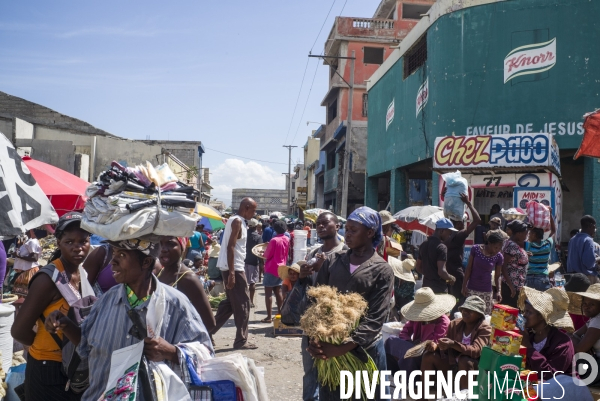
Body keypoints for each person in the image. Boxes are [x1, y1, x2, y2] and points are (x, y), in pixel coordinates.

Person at [45, 238, 214, 401]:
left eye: (122, 255)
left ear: (146, 262)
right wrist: (66, 325)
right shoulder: (106, 301)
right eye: (114, 254)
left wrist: (171, 352)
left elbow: (206, 355)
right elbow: (85, 345)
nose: (113, 261)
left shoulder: (175, 304)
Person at [303, 206, 393, 400]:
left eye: (354, 230)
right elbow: (316, 303)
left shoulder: (381, 269)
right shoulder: (333, 260)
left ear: (370, 233)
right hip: (329, 349)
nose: (347, 234)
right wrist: (316, 339)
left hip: (364, 351)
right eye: (347, 229)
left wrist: (343, 347)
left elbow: (376, 317)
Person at [11, 212, 91, 400]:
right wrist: (44, 345)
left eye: (83, 241)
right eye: (69, 242)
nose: (77, 248)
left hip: (72, 366)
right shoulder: (47, 280)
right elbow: (19, 331)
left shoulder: (82, 273)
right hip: (46, 368)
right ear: (58, 243)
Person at [300, 211, 348, 401]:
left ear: (337, 226)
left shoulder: (344, 253)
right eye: (318, 224)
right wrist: (303, 274)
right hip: (313, 319)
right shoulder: (314, 252)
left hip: (334, 322)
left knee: (332, 368)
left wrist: (323, 271)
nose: (320, 226)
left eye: (325, 223)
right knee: (310, 369)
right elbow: (306, 286)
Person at [517, 286, 589, 400]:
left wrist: (529, 348)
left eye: (529, 312)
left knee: (534, 388)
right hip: (539, 386)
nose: (524, 315)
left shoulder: (563, 342)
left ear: (541, 316)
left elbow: (552, 376)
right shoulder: (529, 335)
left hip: (566, 391)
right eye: (524, 311)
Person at [211, 197, 258, 349]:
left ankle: (206, 331)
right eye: (253, 210)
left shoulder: (239, 221)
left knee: (230, 305)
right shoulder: (236, 221)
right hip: (234, 268)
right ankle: (240, 341)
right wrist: (232, 273)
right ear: (246, 207)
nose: (254, 213)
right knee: (243, 304)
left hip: (234, 267)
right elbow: (230, 247)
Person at [421, 296, 491, 392]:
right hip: (452, 364)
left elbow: (476, 350)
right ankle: (423, 396)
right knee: (428, 356)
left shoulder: (485, 329)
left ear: (479, 315)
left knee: (464, 360)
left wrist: (454, 344)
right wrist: (436, 346)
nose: (465, 312)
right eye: (464, 309)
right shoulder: (455, 324)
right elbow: (446, 343)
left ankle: (466, 397)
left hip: (472, 368)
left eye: (470, 310)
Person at [386, 287, 454, 376]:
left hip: (428, 353)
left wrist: (417, 347)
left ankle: (413, 383)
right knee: (390, 341)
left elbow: (435, 343)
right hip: (414, 347)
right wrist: (409, 342)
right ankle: (396, 374)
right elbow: (405, 331)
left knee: (411, 353)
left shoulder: (443, 322)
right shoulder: (417, 318)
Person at [158, 236, 216, 333]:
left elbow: (209, 323)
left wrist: (179, 341)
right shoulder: (159, 274)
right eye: (160, 244)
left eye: (171, 244)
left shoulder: (188, 279)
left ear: (182, 247)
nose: (163, 249)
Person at [443, 193, 482, 312]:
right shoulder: (459, 235)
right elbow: (477, 220)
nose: (464, 225)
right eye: (463, 223)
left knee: (450, 302)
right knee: (460, 301)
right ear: (459, 223)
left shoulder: (445, 235)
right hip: (456, 273)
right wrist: (468, 203)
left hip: (446, 273)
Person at [462, 230, 505, 315]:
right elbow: (469, 268)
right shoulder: (475, 249)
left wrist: (499, 291)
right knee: (470, 314)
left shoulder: (499, 257)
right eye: (496, 247)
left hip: (486, 291)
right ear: (489, 243)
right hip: (472, 289)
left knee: (485, 316)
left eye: (500, 248)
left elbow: (497, 276)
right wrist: (464, 285)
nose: (498, 250)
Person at [569, 283, 600, 386]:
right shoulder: (593, 319)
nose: (586, 307)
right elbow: (575, 335)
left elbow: (579, 348)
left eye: (592, 304)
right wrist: (572, 337)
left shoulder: (598, 320)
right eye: (585, 303)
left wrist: (571, 337)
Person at [416, 218, 457, 294]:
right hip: (439, 289)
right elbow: (441, 272)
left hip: (426, 289)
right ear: (442, 231)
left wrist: (429, 275)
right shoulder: (441, 247)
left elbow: (418, 267)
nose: (450, 236)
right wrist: (451, 278)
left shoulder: (423, 244)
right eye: (449, 233)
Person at [262, 219, 289, 323]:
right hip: (281, 267)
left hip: (271, 267)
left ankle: (269, 317)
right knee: (278, 291)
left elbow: (267, 255)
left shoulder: (274, 240)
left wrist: (264, 254)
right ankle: (279, 313)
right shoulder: (286, 238)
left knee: (268, 292)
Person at [500, 220, 529, 307]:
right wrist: (511, 286)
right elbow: (503, 266)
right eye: (525, 233)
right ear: (519, 233)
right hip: (511, 286)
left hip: (516, 285)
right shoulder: (511, 245)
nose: (526, 236)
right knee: (510, 313)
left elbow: (514, 260)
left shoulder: (509, 242)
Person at [525, 208, 556, 291]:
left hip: (530, 278)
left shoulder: (529, 246)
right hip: (542, 278)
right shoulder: (547, 244)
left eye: (530, 234)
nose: (528, 235)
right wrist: (550, 214)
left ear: (534, 235)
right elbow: (553, 230)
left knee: (530, 302)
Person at [568, 215, 600, 283]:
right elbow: (588, 263)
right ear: (591, 226)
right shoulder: (588, 240)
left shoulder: (572, 239)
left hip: (572, 277)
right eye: (594, 227)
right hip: (586, 278)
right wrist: (597, 259)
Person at [12, 228, 42, 297]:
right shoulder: (28, 241)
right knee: (21, 295)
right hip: (25, 272)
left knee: (26, 296)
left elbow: (35, 258)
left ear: (31, 230)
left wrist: (18, 256)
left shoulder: (33, 242)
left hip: (30, 271)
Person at [389, 255, 416, 320]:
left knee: (402, 316)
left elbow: (400, 294)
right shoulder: (396, 278)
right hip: (396, 299)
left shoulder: (410, 283)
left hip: (405, 302)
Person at [244, 218, 262, 307]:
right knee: (252, 282)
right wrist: (262, 263)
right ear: (256, 226)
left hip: (243, 260)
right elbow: (259, 251)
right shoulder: (258, 237)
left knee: (244, 282)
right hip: (254, 261)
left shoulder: (243, 234)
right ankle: (250, 301)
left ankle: (244, 300)